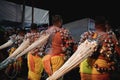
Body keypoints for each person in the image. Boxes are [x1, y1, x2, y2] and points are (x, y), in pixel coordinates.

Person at [42, 15, 76, 79]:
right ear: (60, 21)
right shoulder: (63, 32)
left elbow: (42, 46)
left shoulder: (46, 31)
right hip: (58, 58)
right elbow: (69, 45)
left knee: (49, 77)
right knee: (57, 77)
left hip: (47, 58)